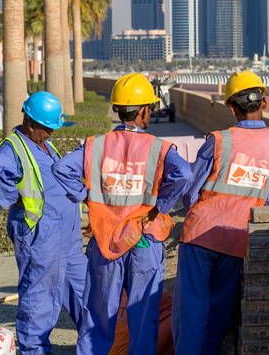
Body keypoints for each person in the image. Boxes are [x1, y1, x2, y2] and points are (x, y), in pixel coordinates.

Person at [52, 72, 191, 355]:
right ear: (142, 111)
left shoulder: (96, 145)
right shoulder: (158, 148)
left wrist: (85, 197)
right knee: (142, 317)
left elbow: (61, 170)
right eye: (150, 108)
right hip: (143, 240)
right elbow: (184, 175)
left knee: (98, 318)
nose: (150, 113)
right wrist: (161, 206)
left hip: (105, 241)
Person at [174, 71, 269, 353]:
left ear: (231, 107)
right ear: (265, 101)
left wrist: (193, 212)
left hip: (200, 234)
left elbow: (191, 186)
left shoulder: (219, 140)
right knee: (219, 313)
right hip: (239, 238)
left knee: (192, 311)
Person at [0, 91, 85, 355]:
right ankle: (34, 351)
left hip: (67, 240)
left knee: (85, 295)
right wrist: (16, 199)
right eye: (47, 128)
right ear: (30, 122)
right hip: (41, 238)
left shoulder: (46, 145)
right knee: (39, 302)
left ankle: (96, 347)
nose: (51, 133)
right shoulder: (14, 147)